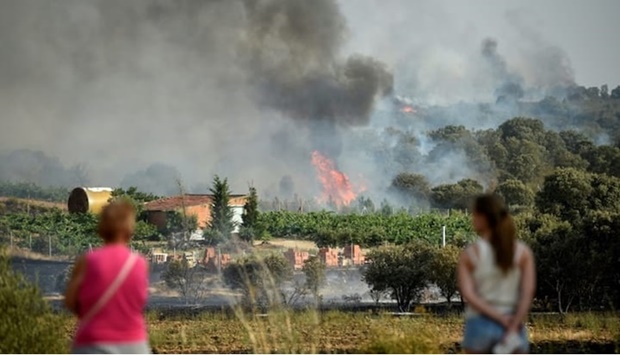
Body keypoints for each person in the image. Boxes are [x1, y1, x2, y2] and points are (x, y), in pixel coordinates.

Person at [65, 199, 150, 354]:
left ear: (101, 228)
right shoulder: (139, 263)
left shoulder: (86, 261)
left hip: (92, 343)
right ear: (130, 229)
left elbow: (70, 301)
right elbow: (140, 302)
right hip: (133, 344)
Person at [457, 194, 536, 354]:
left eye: (474, 214)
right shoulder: (523, 253)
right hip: (513, 325)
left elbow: (469, 295)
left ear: (482, 217)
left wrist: (498, 318)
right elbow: (527, 294)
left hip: (479, 325)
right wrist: (512, 325)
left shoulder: (470, 254)